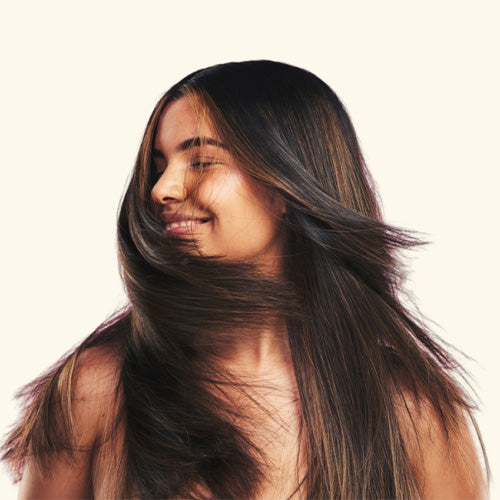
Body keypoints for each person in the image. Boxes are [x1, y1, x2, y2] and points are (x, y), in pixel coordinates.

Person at [1, 60, 489, 499]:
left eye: (201, 161)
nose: (161, 189)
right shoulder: (98, 388)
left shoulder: (414, 409)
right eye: (159, 166)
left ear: (287, 186)